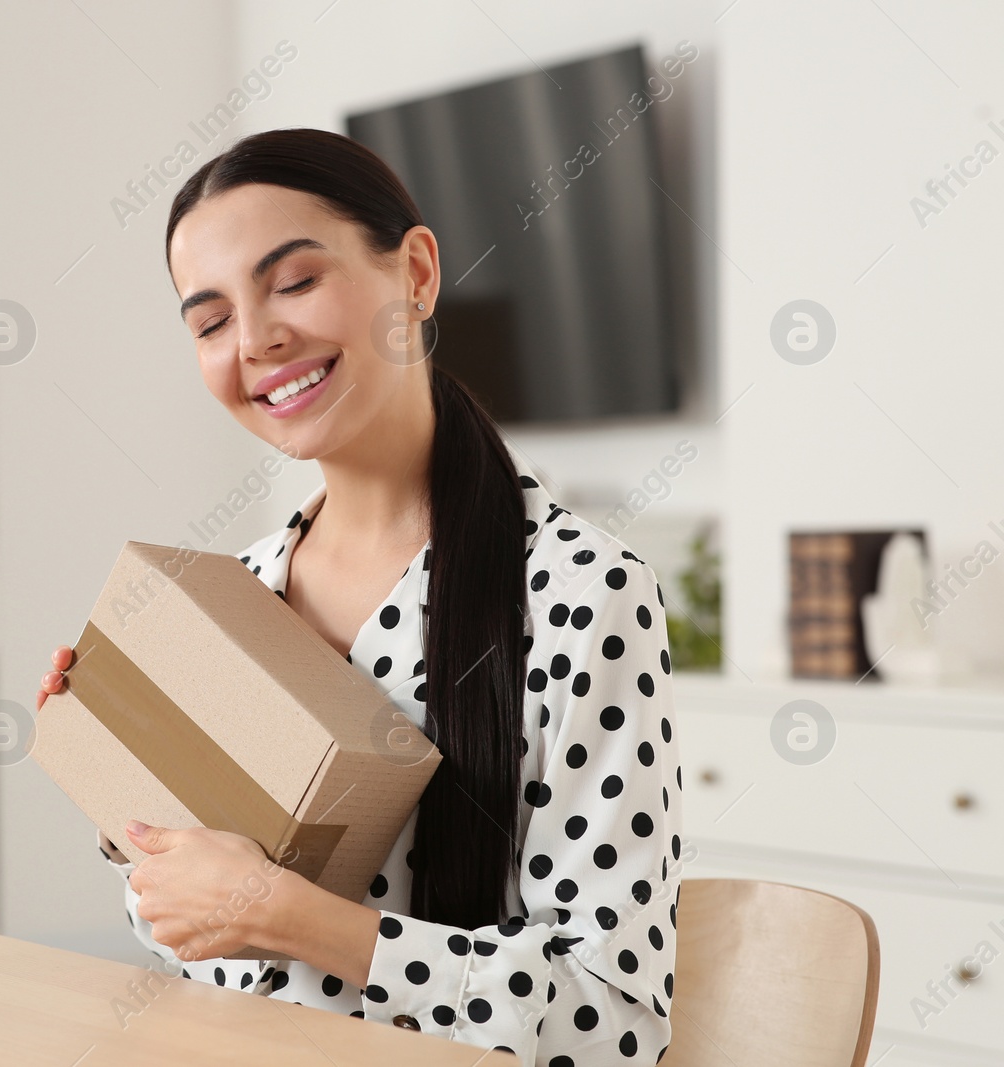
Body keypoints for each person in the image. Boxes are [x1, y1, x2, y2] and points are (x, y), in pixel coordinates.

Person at [36, 128, 683, 1065]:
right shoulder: (237, 594)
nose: (257, 339)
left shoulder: (582, 595)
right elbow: (214, 963)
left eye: (294, 282)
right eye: (211, 322)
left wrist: (286, 914)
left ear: (416, 273)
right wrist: (134, 807)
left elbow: (612, 1023)